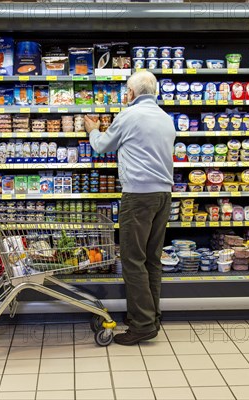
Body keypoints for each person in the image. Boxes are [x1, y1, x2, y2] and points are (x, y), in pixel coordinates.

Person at [85, 70, 175, 346]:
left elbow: (102, 146)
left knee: (134, 260)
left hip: (138, 197)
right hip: (163, 195)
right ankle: (150, 316)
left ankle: (143, 325)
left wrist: (93, 130)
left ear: (132, 93)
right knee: (151, 259)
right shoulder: (165, 118)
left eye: (127, 92)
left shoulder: (129, 116)